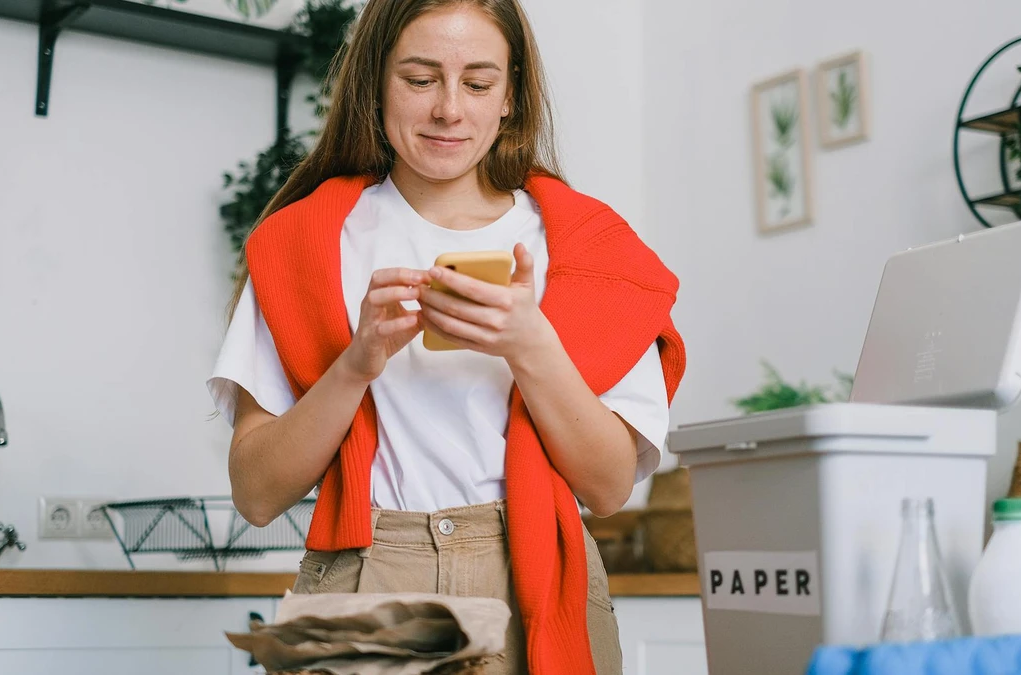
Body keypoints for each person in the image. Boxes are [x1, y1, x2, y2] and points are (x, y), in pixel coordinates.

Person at [206, 1, 686, 673]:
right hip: (366, 571)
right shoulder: (303, 242)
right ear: (376, 84)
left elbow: (607, 490)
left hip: (534, 575)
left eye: (478, 82)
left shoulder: (590, 250)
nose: (449, 109)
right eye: (420, 79)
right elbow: (256, 495)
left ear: (511, 96)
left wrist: (530, 346)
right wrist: (355, 364)